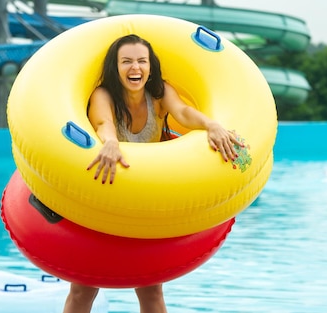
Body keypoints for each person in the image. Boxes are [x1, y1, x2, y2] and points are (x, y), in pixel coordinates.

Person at [62, 34, 242, 313]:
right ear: (115, 66)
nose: (135, 68)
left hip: (145, 199)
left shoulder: (158, 93)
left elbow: (182, 112)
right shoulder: (103, 94)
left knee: (151, 290)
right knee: (83, 290)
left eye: (141, 61)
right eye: (127, 62)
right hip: (105, 194)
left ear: (150, 66)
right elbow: (102, 121)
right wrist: (109, 141)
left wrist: (211, 125)